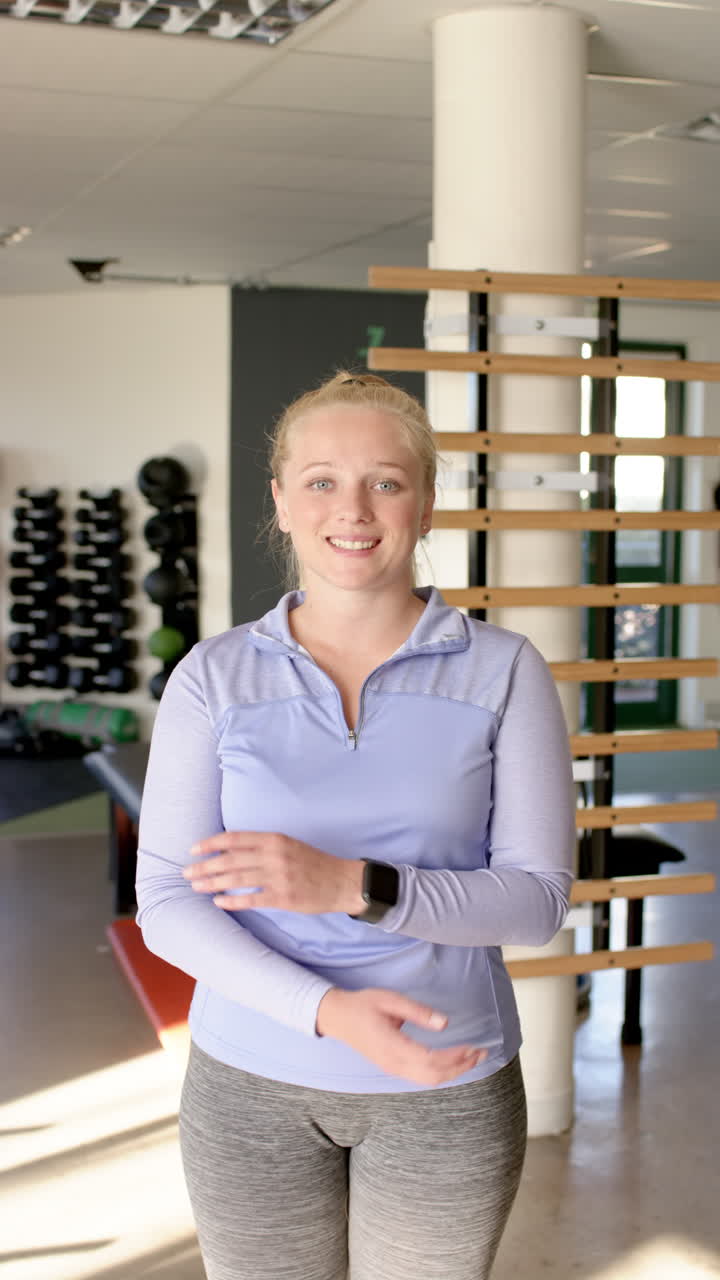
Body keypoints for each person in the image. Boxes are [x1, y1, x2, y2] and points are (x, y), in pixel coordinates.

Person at [135, 371, 576, 1280]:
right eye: (323, 480)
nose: (355, 509)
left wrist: (351, 886)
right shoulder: (213, 679)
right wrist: (328, 1012)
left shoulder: (501, 670)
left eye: (386, 480)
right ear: (283, 502)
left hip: (445, 1081)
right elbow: (166, 900)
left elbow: (536, 903)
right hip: (250, 1081)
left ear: (425, 502)